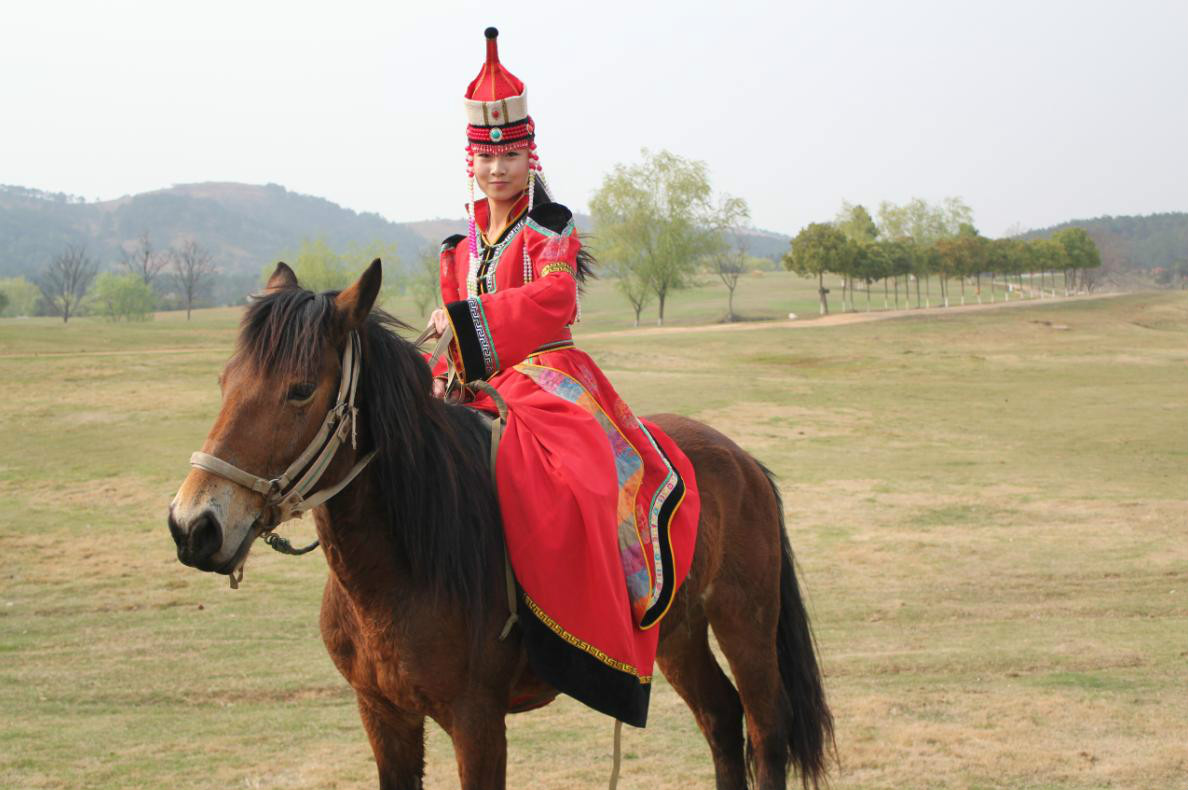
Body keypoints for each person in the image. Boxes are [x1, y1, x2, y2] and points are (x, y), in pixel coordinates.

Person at [425, 27, 699, 728]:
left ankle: (591, 598)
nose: (497, 170)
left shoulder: (549, 227)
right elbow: (447, 343)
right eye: (486, 158)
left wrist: (467, 317)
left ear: (529, 155)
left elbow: (554, 301)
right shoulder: (457, 246)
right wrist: (432, 369)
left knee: (576, 471)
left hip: (545, 372)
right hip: (475, 383)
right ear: (471, 161)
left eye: (510, 155)